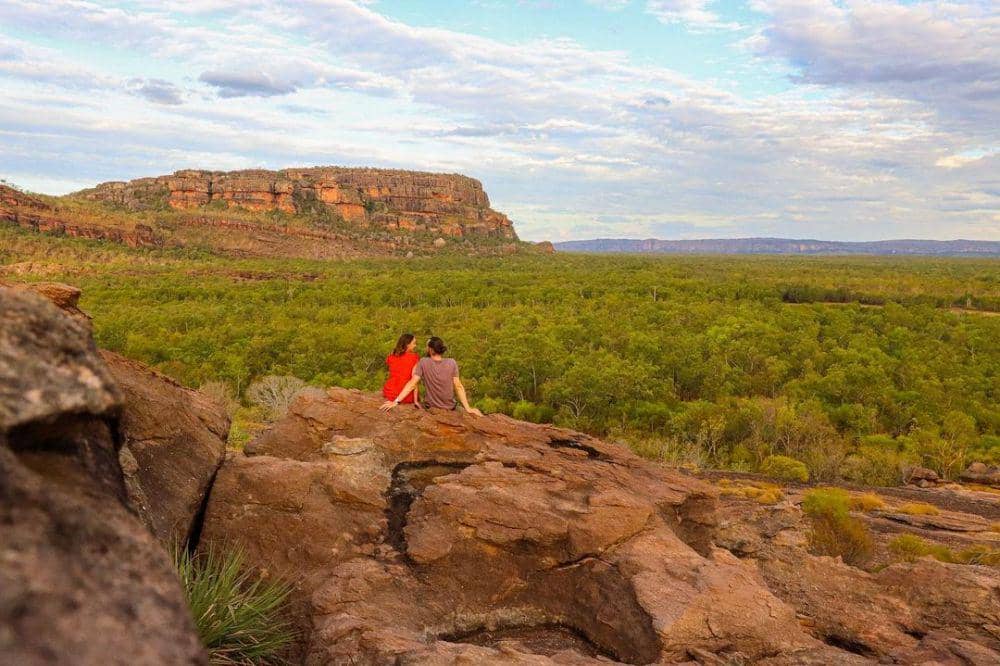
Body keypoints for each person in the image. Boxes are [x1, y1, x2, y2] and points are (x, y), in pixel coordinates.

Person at [380, 336, 482, 416]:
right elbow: (458, 386)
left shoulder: (423, 362)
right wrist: (468, 408)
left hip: (431, 407)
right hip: (449, 406)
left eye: (427, 346)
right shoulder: (452, 362)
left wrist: (396, 401)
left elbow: (412, 383)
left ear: (430, 349)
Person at [382, 333, 421, 407]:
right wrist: (416, 400)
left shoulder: (391, 356)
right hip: (405, 396)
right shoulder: (414, 358)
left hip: (389, 392)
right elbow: (414, 381)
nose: (415, 345)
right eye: (414, 343)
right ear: (407, 345)